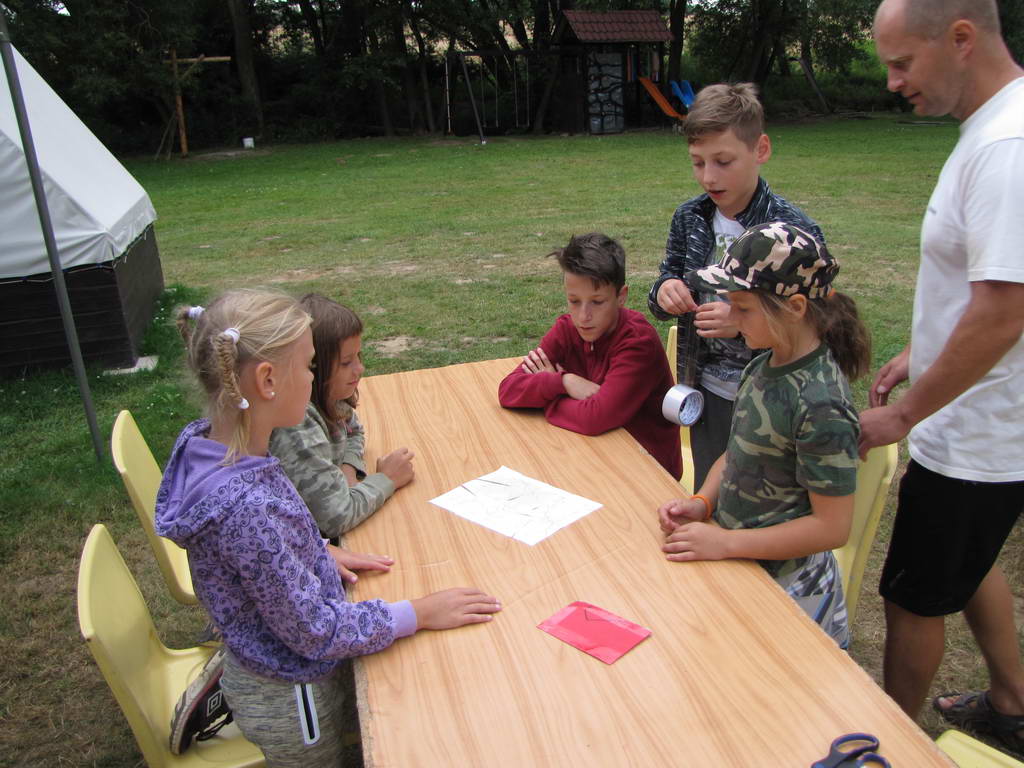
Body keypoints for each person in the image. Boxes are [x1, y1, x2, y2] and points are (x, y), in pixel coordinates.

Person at [156, 290, 501, 767]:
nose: (313, 379)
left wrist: (309, 547)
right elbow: (317, 631)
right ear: (268, 380)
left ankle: (231, 676)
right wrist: (417, 613)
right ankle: (234, 685)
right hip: (293, 697)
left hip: (269, 650)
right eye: (309, 366)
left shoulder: (213, 445)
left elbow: (255, 546)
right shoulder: (247, 509)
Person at [863, 0, 1024, 745]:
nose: (893, 83)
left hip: (976, 433)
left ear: (961, 39)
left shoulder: (1007, 146)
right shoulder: (992, 129)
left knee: (914, 597)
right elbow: (979, 286)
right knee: (971, 560)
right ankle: (1013, 701)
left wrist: (904, 413)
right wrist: (918, 354)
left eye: (902, 63)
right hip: (974, 416)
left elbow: (1004, 312)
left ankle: (889, 744)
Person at [656, 222, 870, 649]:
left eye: (743, 308)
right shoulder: (761, 364)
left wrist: (725, 542)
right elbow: (737, 453)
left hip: (791, 593)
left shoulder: (821, 404)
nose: (731, 318)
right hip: (744, 567)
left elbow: (831, 527)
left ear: (794, 307)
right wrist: (704, 502)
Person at [647, 82, 826, 491]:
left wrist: (742, 320)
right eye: (697, 163)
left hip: (772, 396)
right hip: (706, 391)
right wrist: (665, 289)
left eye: (723, 161)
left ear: (760, 149)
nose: (708, 176)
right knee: (711, 493)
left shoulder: (793, 230)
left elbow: (817, 319)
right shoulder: (690, 217)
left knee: (761, 496)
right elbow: (664, 281)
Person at [498, 232, 682, 479]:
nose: (583, 316)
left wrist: (547, 399)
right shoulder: (566, 329)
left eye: (597, 302)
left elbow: (595, 418)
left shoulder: (638, 342)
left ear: (621, 296)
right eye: (574, 301)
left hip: (648, 470)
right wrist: (564, 382)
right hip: (589, 455)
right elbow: (508, 390)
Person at [269, 294, 413, 560]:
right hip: (307, 551)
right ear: (314, 368)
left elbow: (353, 431)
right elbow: (335, 517)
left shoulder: (330, 397)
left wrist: (347, 469)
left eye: (358, 356)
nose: (360, 368)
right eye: (346, 362)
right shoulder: (296, 425)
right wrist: (387, 479)